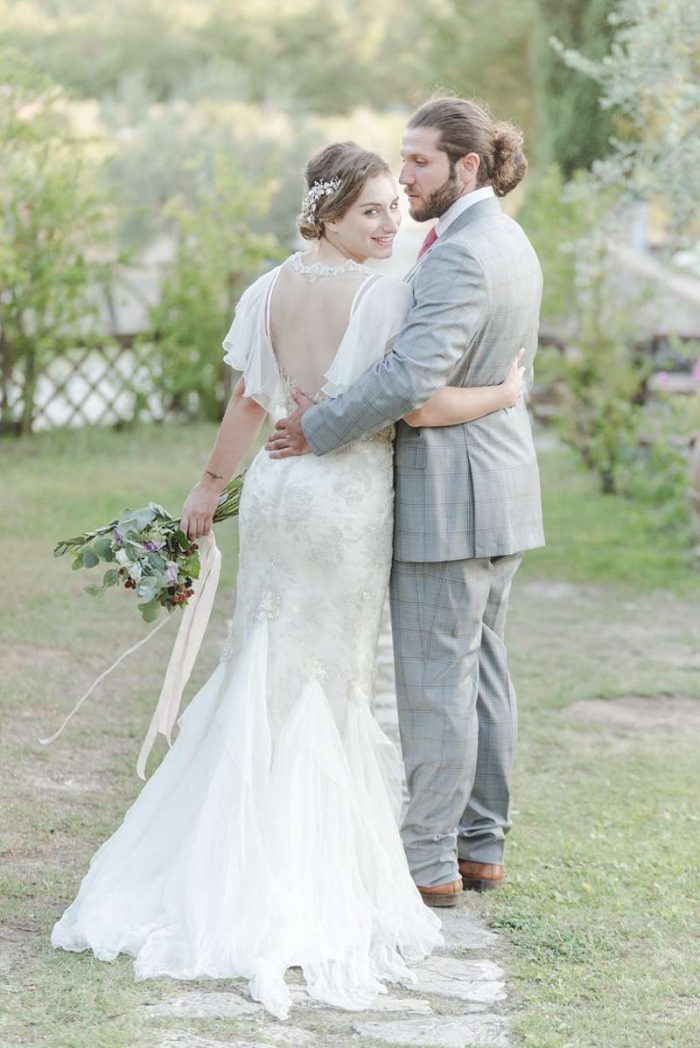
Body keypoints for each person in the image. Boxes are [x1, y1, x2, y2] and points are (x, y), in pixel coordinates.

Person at [50, 141, 525, 1018]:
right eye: (371, 211)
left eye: (394, 206)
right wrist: (502, 395)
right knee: (328, 676)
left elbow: (250, 402)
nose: (390, 224)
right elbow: (413, 402)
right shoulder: (386, 292)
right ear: (329, 215)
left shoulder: (270, 289)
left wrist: (209, 484)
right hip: (343, 499)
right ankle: (304, 865)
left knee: (264, 657)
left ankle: (227, 841)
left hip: (276, 493)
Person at [267, 97, 545, 907]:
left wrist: (317, 427)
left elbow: (413, 386)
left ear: (467, 166)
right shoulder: (507, 238)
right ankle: (480, 844)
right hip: (499, 492)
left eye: (419, 161)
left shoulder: (461, 253)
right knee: (483, 671)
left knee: (435, 680)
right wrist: (498, 396)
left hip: (450, 501)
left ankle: (427, 860)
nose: (407, 175)